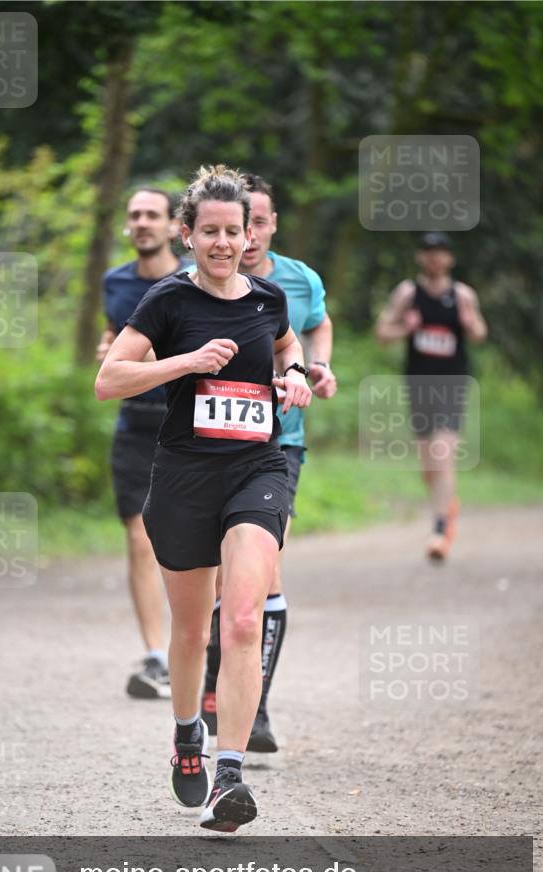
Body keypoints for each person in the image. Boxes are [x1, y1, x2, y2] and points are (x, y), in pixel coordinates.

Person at [95, 165, 312, 832]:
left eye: (234, 230)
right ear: (186, 234)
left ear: (251, 234)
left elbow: (285, 344)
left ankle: (229, 777)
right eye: (209, 231)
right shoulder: (166, 300)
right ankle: (187, 733)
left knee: (240, 620)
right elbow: (109, 379)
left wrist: (297, 374)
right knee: (189, 631)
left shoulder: (268, 299)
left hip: (256, 469)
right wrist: (182, 363)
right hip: (185, 475)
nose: (223, 242)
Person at [201, 174, 336, 753]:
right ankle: (214, 684)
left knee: (260, 577)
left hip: (281, 446)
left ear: (271, 224)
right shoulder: (205, 281)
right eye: (237, 225)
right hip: (209, 447)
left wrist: (318, 367)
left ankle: (252, 709)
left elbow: (313, 330)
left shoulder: (299, 280)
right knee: (218, 577)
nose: (247, 235)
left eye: (256, 223)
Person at [97, 188, 188, 699]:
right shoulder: (115, 281)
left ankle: (193, 647)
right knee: (138, 535)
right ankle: (156, 656)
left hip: (184, 421)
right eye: (134, 215)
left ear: (175, 225)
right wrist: (108, 350)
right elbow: (115, 340)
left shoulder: (191, 283)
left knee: (193, 540)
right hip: (134, 422)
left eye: (151, 214)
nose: (141, 223)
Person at [376, 232, 487, 559]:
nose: (435, 258)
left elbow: (480, 334)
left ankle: (440, 530)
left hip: (452, 384)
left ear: (450, 259)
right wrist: (405, 328)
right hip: (418, 384)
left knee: (443, 455)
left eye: (441, 252)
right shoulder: (408, 293)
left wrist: (469, 322)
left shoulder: (463, 295)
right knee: (429, 466)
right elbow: (382, 333)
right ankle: (447, 505)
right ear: (421, 258)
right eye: (429, 252)